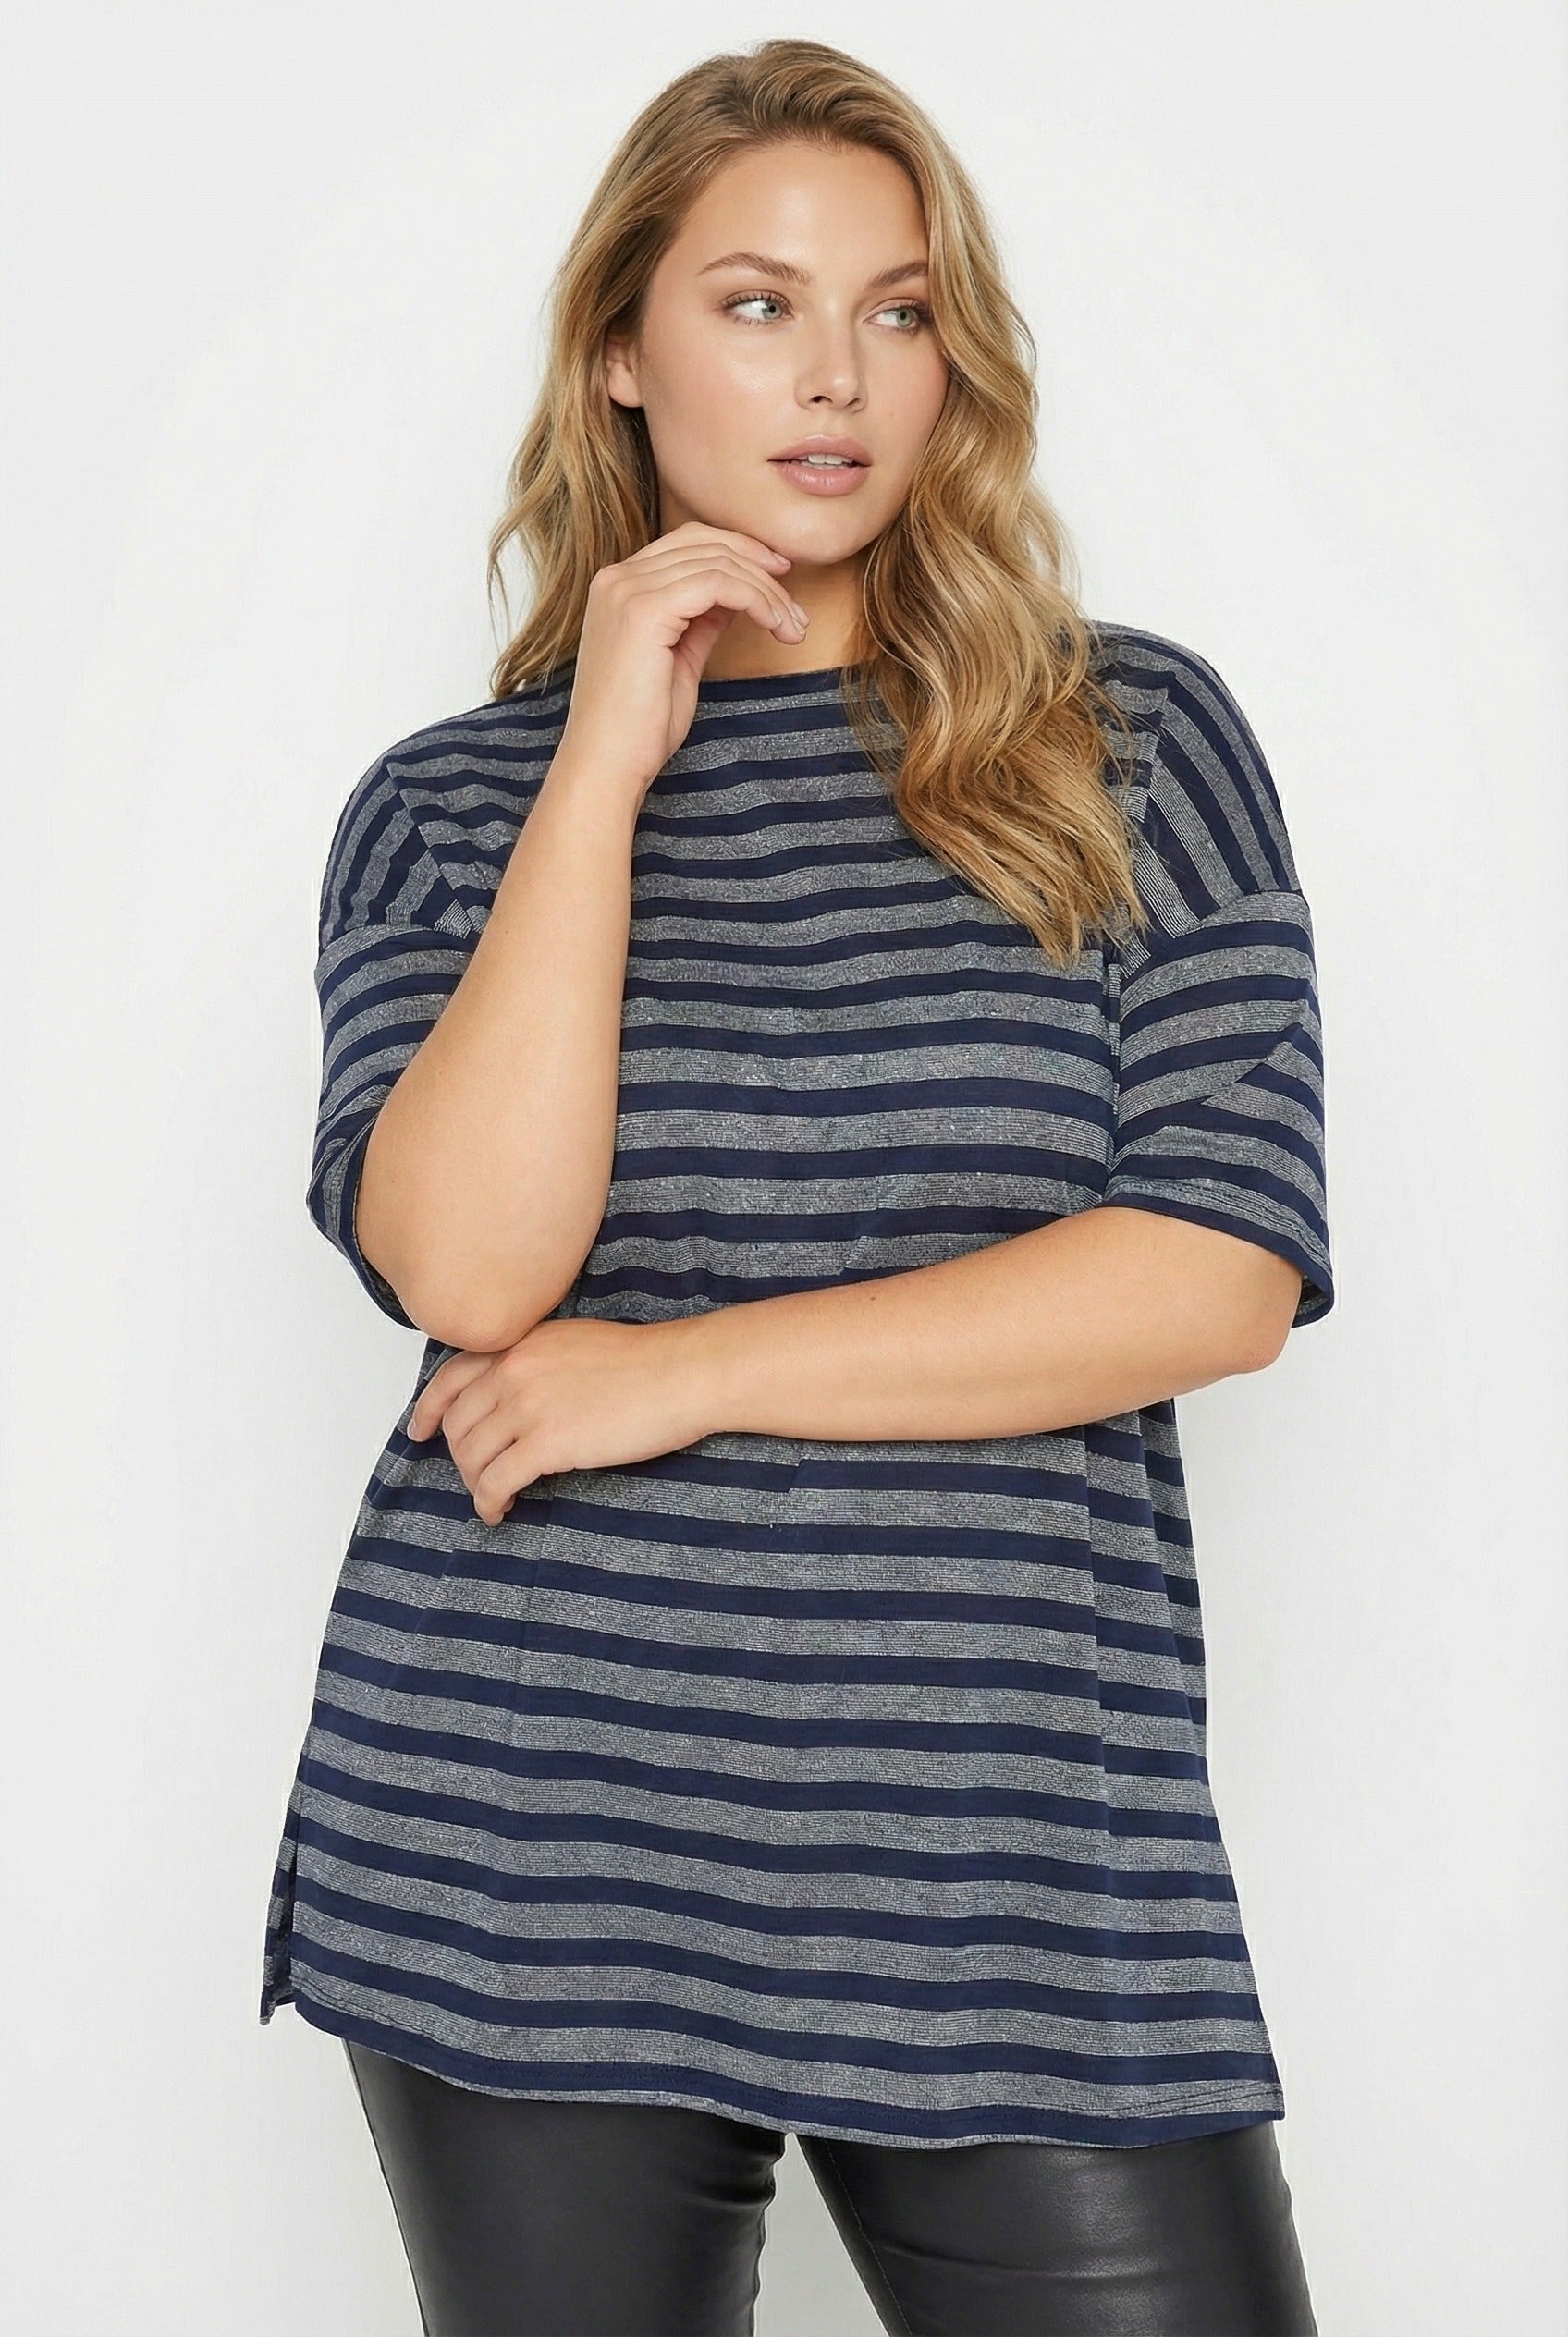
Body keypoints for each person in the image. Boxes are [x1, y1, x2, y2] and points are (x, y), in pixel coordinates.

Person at [261, 37, 1330, 2337]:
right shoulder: (448, 813)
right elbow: (466, 1267)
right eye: (755, 304)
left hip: (1011, 1853)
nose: (836, 374)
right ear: (620, 353)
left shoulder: (1124, 742)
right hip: (527, 1837)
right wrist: (601, 762)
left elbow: (1213, 1274)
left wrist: (682, 1373)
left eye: (898, 310)